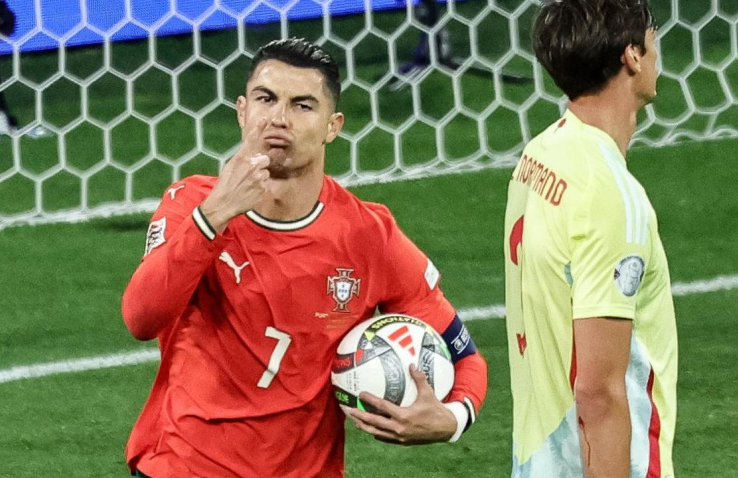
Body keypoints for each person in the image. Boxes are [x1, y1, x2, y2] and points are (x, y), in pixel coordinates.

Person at [121, 37, 488, 478]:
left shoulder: (368, 234)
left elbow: (463, 353)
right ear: (242, 111)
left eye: (302, 106)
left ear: (333, 126)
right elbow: (140, 318)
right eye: (266, 99)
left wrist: (453, 418)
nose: (279, 118)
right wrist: (214, 215)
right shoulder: (190, 206)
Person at [503, 1, 677, 477]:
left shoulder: (539, 156)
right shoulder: (611, 197)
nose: (657, 45)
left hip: (540, 458)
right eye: (652, 32)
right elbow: (598, 392)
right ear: (632, 56)